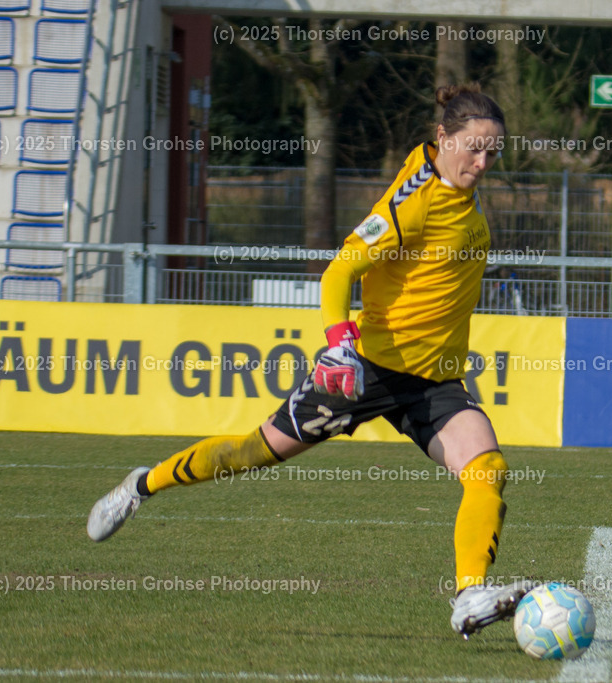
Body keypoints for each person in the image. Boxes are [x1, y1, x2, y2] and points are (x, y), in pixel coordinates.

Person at [87, 83, 527, 639]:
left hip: (433, 379)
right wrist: (339, 345)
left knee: (487, 469)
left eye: (494, 151)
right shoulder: (411, 201)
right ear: (443, 138)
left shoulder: (457, 181)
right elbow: (339, 270)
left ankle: (469, 596)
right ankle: (142, 485)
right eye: (474, 149)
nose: (484, 162)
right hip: (366, 369)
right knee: (253, 452)